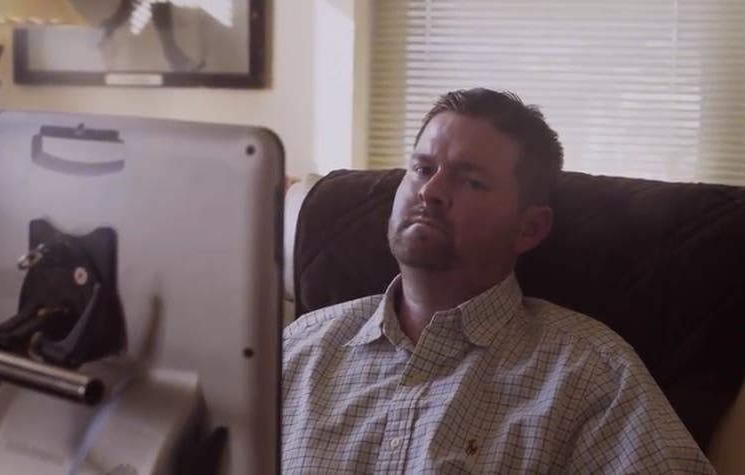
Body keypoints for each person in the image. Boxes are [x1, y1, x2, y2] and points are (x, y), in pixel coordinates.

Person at [281, 88, 715, 473]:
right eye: (422, 168)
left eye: (470, 181)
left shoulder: (592, 375)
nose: (431, 191)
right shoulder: (296, 351)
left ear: (530, 229)